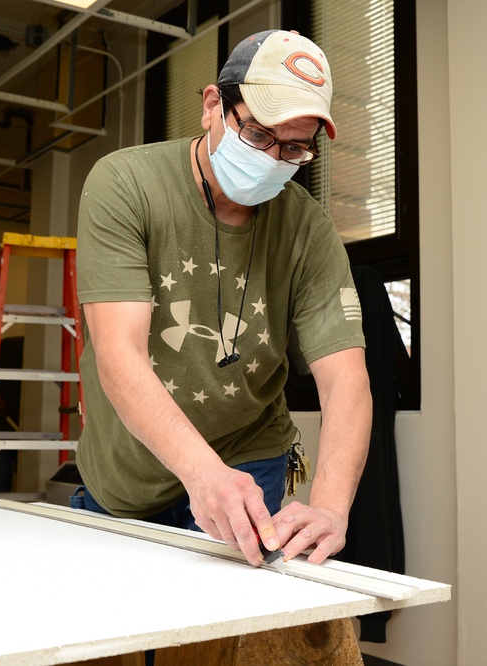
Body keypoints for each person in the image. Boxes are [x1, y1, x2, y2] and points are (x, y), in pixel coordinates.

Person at [71, 29, 372, 569]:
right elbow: (119, 358)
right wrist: (202, 473)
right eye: (258, 134)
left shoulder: (307, 226)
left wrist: (329, 506)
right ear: (214, 105)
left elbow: (345, 378)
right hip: (128, 470)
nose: (274, 159)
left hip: (248, 455)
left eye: (295, 147)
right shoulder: (125, 184)